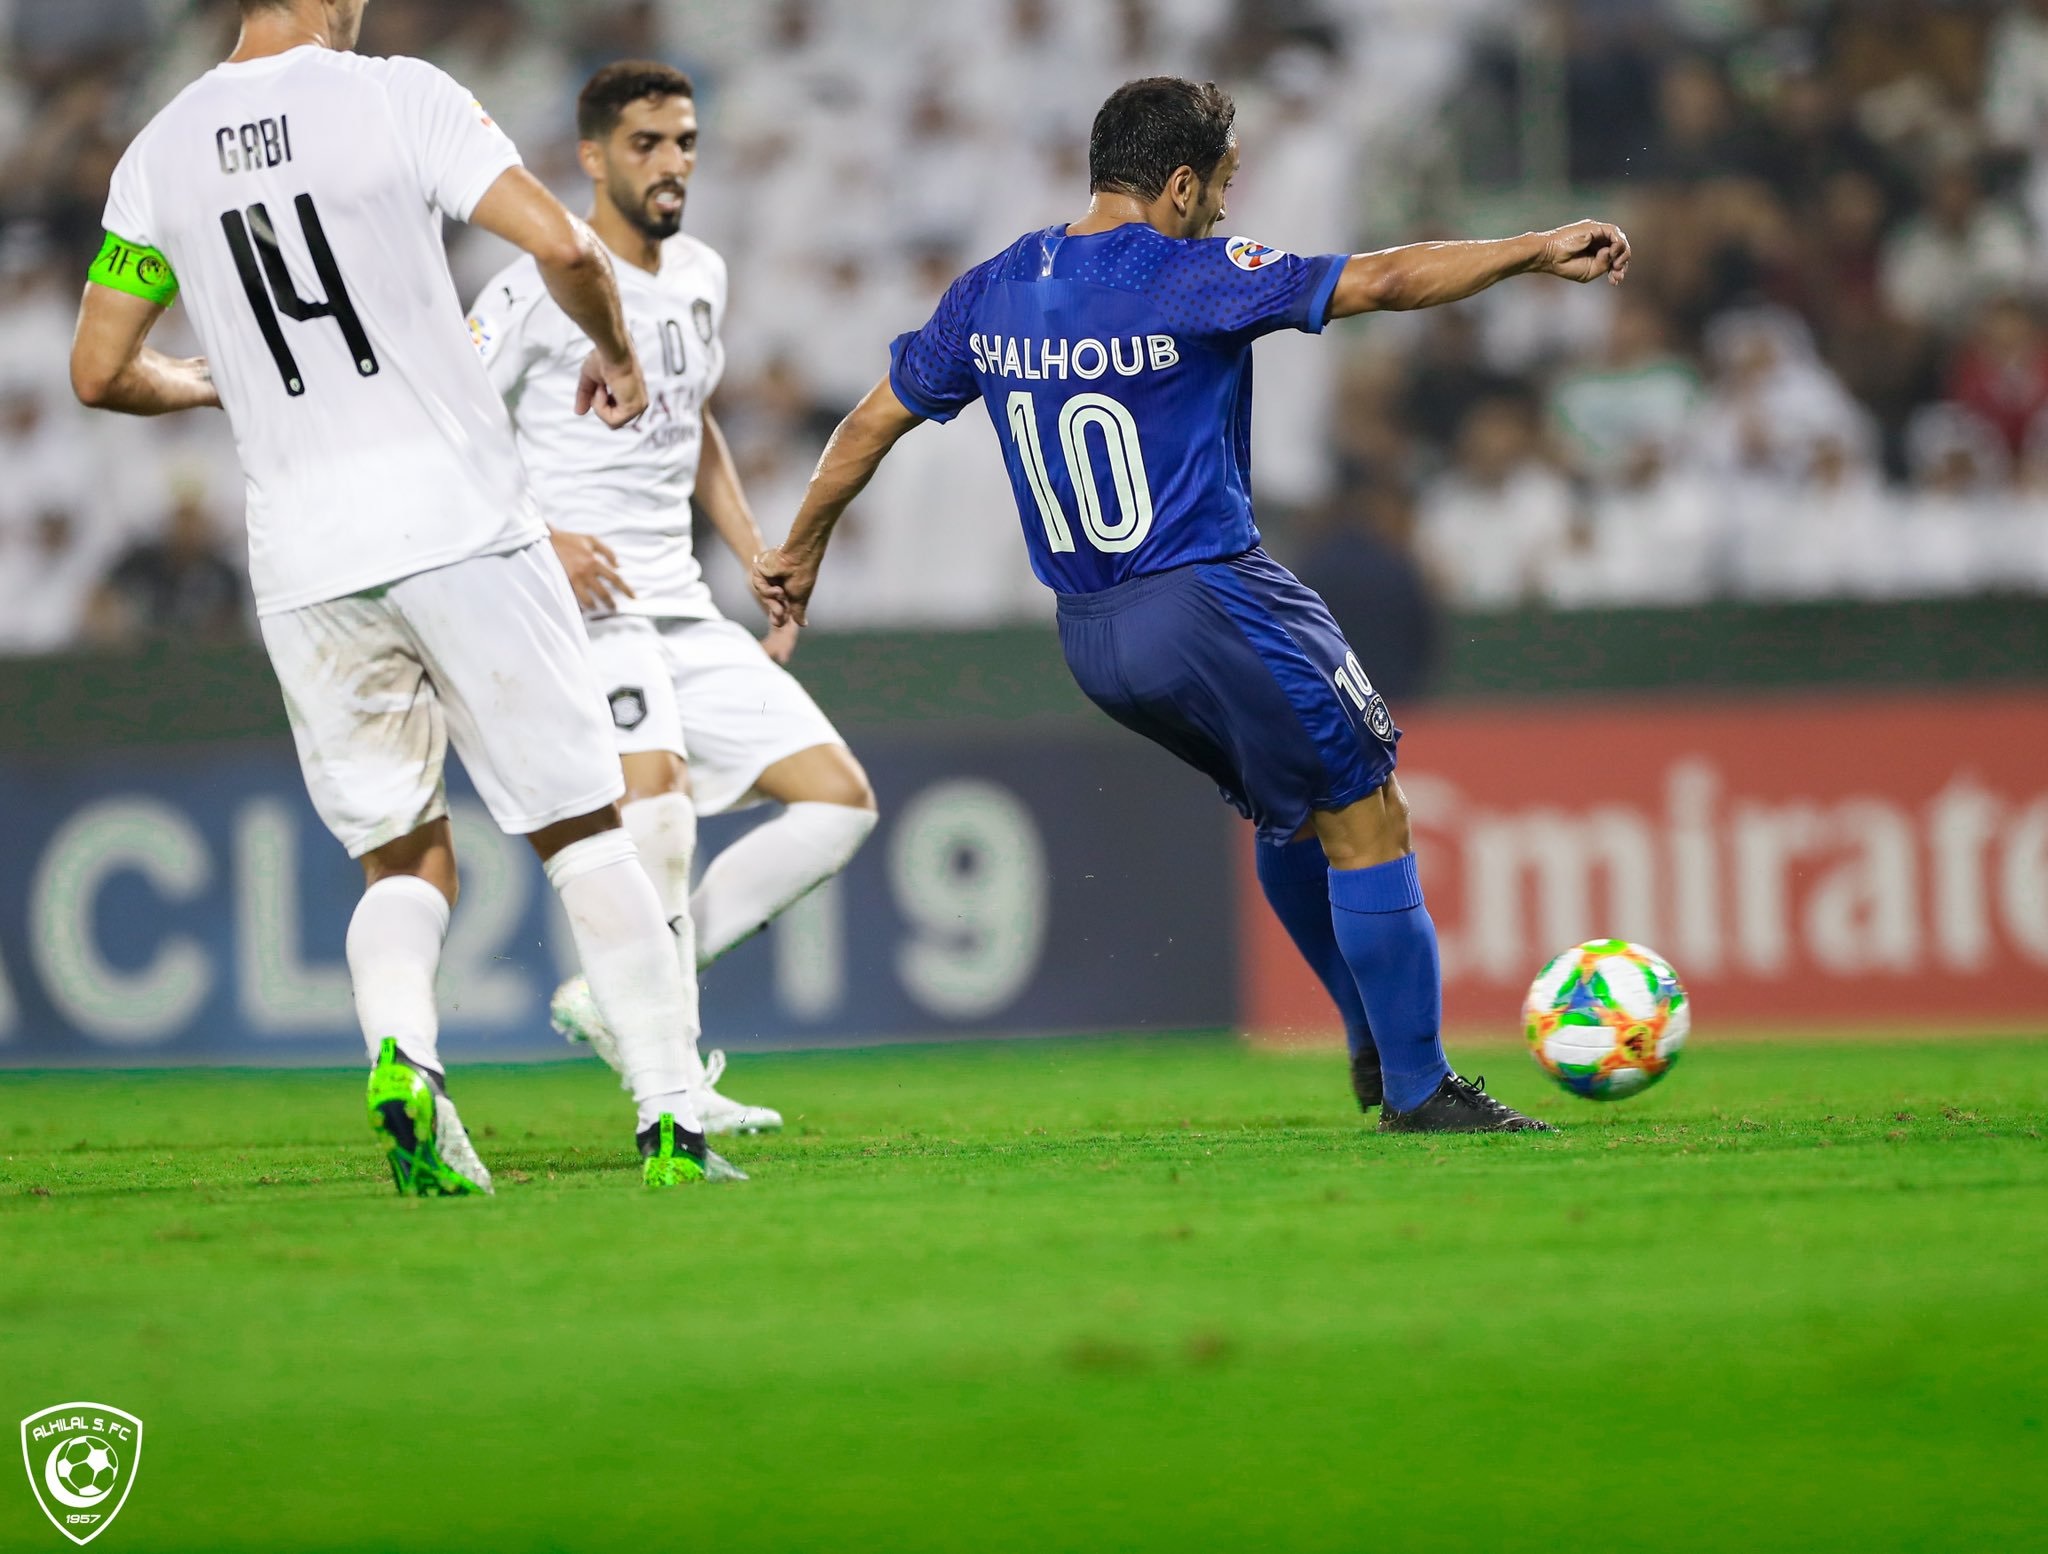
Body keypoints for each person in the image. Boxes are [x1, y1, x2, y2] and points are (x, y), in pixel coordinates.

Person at [755, 77, 1633, 1132]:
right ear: (1176, 184)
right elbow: (1387, 279)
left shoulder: (990, 289)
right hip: (1214, 598)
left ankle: (1371, 1041)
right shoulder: (1189, 276)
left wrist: (799, 548)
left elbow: (867, 423)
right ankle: (1416, 1086)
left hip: (1093, 639)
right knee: (1368, 811)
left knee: (1288, 812)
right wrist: (1533, 249)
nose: (1221, 209)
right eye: (1216, 186)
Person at [69, 0, 739, 1191]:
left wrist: (216, 380)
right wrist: (620, 360)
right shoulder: (398, 94)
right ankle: (672, 1124)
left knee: (403, 861)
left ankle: (405, 1064)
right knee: (586, 835)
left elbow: (100, 368)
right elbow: (568, 249)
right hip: (460, 522)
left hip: (303, 558)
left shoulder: (155, 150)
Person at [468, 62, 877, 1130]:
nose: (671, 163)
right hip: (578, 602)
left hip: (681, 599)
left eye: (685, 142)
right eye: (646, 144)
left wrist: (758, 553)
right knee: (655, 817)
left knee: (836, 803)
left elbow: (692, 424)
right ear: (593, 156)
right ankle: (671, 1078)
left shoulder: (699, 272)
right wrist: (539, 537)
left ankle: (621, 997)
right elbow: (445, 425)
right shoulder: (536, 276)